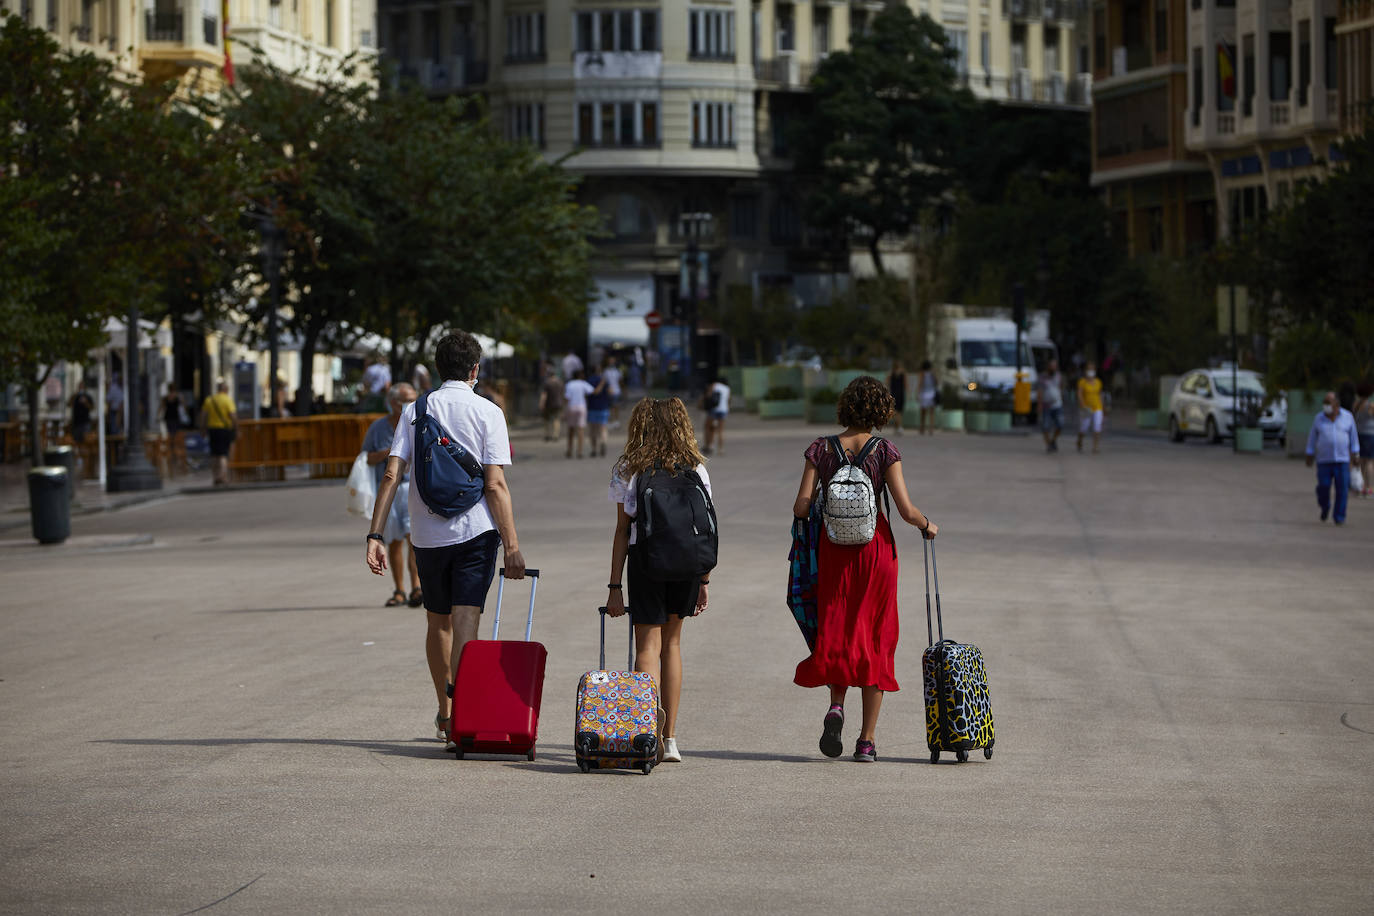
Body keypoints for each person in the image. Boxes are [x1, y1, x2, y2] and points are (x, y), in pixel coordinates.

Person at [365, 330, 527, 746]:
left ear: (438, 369)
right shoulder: (488, 411)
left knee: (437, 623)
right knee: (466, 619)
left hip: (427, 532)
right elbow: (495, 485)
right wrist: (511, 545)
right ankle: (465, 718)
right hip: (475, 532)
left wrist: (375, 534)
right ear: (475, 370)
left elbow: (391, 474)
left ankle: (445, 711)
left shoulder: (415, 410)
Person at [791, 376, 938, 762]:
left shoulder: (820, 448)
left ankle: (836, 706)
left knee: (838, 634)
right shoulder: (885, 450)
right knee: (875, 639)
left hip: (834, 553)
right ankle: (867, 742)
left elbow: (800, 507)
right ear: (881, 410)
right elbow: (905, 511)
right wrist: (927, 524)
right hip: (875, 554)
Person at [605, 397, 712, 764]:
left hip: (646, 561)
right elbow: (705, 528)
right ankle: (671, 740)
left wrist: (615, 586)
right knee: (673, 645)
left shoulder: (627, 468)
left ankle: (644, 731)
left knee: (647, 647)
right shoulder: (695, 467)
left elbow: (622, 530)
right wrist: (703, 580)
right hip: (685, 565)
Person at [364, 383, 422, 608]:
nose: (409, 403)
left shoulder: (419, 421)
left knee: (413, 539)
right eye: (404, 399)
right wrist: (390, 453)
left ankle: (416, 586)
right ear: (392, 402)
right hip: (389, 491)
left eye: (412, 398)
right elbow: (367, 457)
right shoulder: (378, 427)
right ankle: (399, 589)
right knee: (394, 542)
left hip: (411, 488)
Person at [1305, 390, 1361, 525]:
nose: (1325, 405)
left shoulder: (1347, 417)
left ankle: (1339, 516)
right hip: (1324, 460)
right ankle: (1325, 506)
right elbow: (1313, 437)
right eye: (1324, 403)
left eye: (1328, 402)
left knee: (1342, 489)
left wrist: (1356, 454)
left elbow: (1353, 437)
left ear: (1336, 403)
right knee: (1323, 486)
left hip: (1342, 460)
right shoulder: (1319, 418)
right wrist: (1309, 453)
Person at [199, 378, 237, 486]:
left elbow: (203, 416)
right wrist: (236, 428)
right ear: (225, 389)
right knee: (223, 455)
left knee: (214, 454)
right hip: (224, 429)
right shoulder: (227, 400)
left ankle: (215, 477)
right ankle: (223, 477)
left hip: (212, 430)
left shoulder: (209, 400)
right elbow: (233, 416)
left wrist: (202, 429)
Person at [564, 369, 593, 459]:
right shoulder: (583, 383)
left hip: (572, 407)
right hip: (581, 407)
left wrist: (564, 410)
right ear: (580, 376)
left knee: (571, 429)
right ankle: (579, 451)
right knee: (580, 430)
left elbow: (567, 397)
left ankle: (569, 450)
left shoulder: (569, 384)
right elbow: (592, 391)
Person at [1076, 360, 1104, 454]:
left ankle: (1095, 447)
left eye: (1092, 369)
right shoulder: (1082, 382)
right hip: (1086, 408)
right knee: (1084, 427)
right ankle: (1079, 440)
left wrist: (1103, 406)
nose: (1091, 371)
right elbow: (1079, 394)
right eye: (1089, 369)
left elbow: (1100, 395)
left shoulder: (1098, 382)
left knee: (1097, 426)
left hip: (1097, 407)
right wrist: (1082, 404)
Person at [585, 365, 612, 458]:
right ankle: (603, 442)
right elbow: (611, 392)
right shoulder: (604, 381)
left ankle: (594, 449)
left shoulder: (588, 381)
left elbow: (586, 394)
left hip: (592, 407)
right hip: (603, 407)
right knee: (603, 428)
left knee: (593, 430)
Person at [1354, 382, 1374, 498]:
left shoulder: (1356, 405)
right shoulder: (1370, 405)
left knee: (1361, 461)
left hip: (1358, 434)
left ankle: (1360, 487)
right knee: (1369, 462)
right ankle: (1369, 487)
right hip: (1370, 435)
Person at [1039, 358, 1064, 452]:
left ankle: (1053, 440)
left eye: (1055, 366)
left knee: (1060, 425)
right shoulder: (1043, 377)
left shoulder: (1058, 376)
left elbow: (1061, 387)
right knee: (1045, 426)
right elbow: (1040, 391)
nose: (1053, 368)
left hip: (1058, 404)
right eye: (1052, 366)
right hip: (1046, 405)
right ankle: (1048, 444)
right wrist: (1040, 404)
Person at [702, 374, 730, 455]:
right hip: (723, 410)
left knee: (708, 427)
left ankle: (709, 446)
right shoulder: (727, 388)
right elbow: (728, 400)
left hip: (714, 409)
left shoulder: (714, 385)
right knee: (720, 430)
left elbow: (708, 396)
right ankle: (721, 449)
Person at [538, 362, 564, 442]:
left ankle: (547, 434)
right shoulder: (560, 382)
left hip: (549, 404)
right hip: (558, 403)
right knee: (557, 419)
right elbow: (563, 393)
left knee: (547, 420)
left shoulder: (547, 382)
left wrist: (541, 404)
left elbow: (544, 395)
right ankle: (555, 435)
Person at [916, 360, 938, 435]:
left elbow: (920, 383)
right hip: (932, 393)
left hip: (924, 394)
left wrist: (917, 393)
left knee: (923, 413)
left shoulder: (922, 374)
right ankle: (931, 429)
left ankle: (922, 428)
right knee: (931, 413)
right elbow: (936, 382)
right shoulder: (932, 374)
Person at [887, 362, 908, 435]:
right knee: (899, 411)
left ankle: (897, 427)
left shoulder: (891, 373)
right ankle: (899, 427)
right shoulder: (903, 373)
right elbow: (906, 384)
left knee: (895, 411)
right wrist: (907, 394)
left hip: (893, 394)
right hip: (901, 394)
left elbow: (887, 383)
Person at [602, 355, 623, 426]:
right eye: (610, 360)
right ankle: (611, 421)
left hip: (616, 391)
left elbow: (620, 381)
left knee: (616, 406)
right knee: (610, 407)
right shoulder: (606, 371)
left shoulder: (618, 371)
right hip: (609, 391)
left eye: (612, 360)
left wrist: (622, 390)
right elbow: (604, 382)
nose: (611, 362)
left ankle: (616, 420)